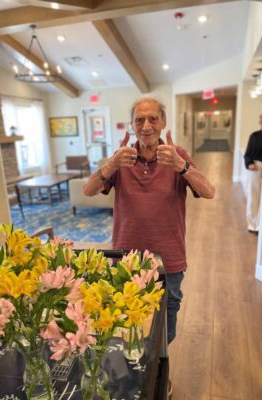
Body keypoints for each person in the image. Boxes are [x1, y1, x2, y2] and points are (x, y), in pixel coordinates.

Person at [83, 97, 215, 346]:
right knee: (123, 318)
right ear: (132, 125)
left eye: (153, 118)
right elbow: (88, 191)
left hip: (168, 256)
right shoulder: (121, 157)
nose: (146, 126)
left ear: (163, 121)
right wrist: (112, 163)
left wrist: (180, 166)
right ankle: (133, 369)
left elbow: (209, 191)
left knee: (167, 318)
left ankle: (158, 369)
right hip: (125, 256)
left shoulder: (179, 156)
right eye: (139, 120)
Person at [244, 111, 262, 234]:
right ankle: (252, 225)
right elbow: (247, 154)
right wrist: (250, 163)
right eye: (261, 117)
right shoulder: (254, 135)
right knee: (253, 196)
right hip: (255, 167)